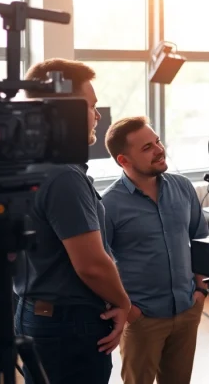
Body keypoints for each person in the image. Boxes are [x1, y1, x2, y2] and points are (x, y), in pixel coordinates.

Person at [14, 59, 131, 384]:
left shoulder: (25, 163)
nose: (97, 115)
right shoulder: (64, 176)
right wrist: (124, 303)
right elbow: (91, 264)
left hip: (34, 312)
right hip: (68, 326)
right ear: (62, 108)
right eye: (91, 106)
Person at [101, 116, 209, 384]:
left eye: (157, 141)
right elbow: (100, 262)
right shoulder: (108, 203)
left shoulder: (182, 187)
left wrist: (201, 290)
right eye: (147, 147)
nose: (159, 149)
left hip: (187, 309)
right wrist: (128, 310)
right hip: (142, 318)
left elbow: (201, 238)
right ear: (123, 160)